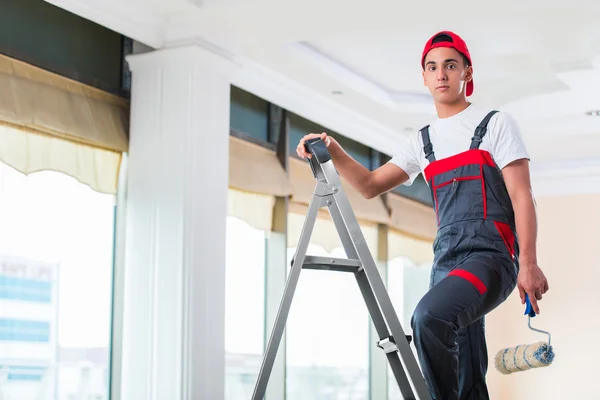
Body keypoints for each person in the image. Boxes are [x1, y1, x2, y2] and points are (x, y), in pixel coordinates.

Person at [296, 30, 549, 399]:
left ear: (467, 72)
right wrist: (333, 149)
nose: (441, 74)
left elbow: (522, 195)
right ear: (425, 77)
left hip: (490, 261)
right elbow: (369, 185)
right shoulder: (422, 141)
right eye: (433, 67)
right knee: (468, 382)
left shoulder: (496, 124)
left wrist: (528, 262)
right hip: (445, 264)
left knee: (429, 317)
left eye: (450, 65)